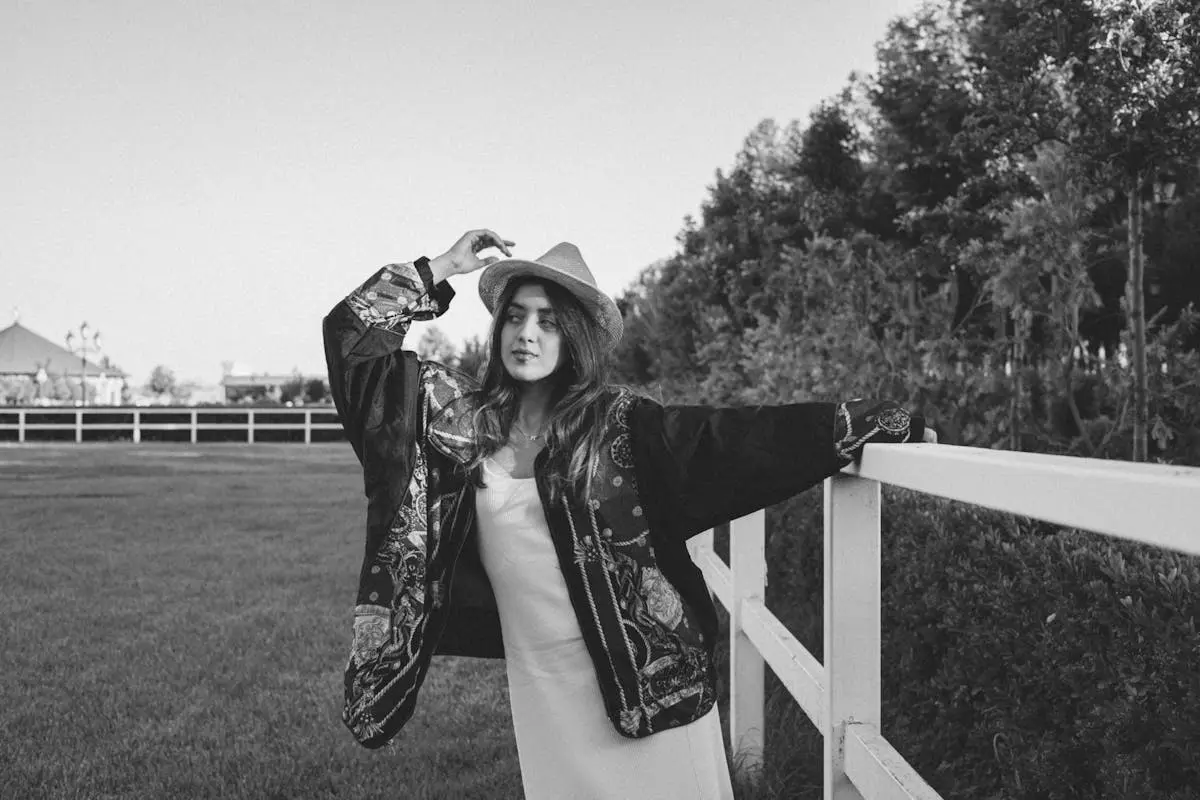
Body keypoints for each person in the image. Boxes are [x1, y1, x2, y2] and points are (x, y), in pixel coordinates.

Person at [323, 229, 935, 799]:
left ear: (576, 338)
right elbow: (352, 341)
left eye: (548, 322)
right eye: (514, 316)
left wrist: (870, 423)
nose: (526, 334)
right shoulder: (459, 423)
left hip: (646, 685)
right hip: (543, 688)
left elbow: (738, 441)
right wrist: (443, 268)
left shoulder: (618, 424)